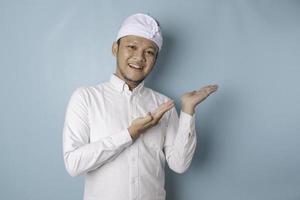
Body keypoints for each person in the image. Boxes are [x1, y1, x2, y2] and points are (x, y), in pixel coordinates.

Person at [63, 13, 218, 200]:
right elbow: (73, 164)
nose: (139, 57)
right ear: (115, 49)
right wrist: (130, 134)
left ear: (155, 59)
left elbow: (179, 164)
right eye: (132, 47)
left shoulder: (164, 104)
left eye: (149, 52)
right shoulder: (86, 98)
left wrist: (188, 110)